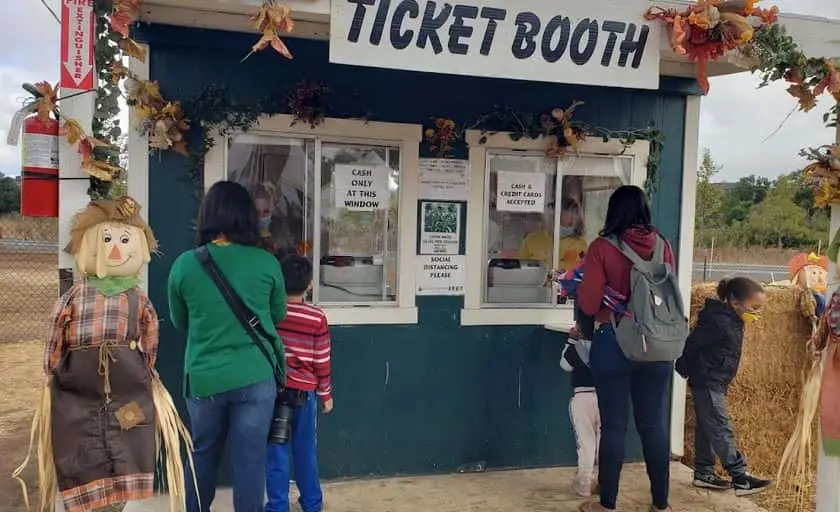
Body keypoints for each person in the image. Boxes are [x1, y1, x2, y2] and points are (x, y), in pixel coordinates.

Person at [168, 181, 287, 512]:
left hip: (204, 379)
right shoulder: (266, 263)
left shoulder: (184, 265)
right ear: (247, 216)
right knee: (250, 461)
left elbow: (180, 322)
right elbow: (277, 316)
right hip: (255, 378)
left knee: (202, 454)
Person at [577, 185, 675, 512]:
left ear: (613, 211)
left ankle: (607, 504)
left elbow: (590, 304)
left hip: (614, 342)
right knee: (653, 424)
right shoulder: (663, 245)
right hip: (658, 344)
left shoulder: (601, 248)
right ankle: (661, 503)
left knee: (614, 425)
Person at [675, 277, 772, 496]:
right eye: (754, 307)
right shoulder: (719, 321)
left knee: (707, 427)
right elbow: (693, 342)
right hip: (707, 380)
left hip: (715, 379)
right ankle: (740, 477)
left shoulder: (733, 319)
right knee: (719, 426)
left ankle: (703, 472)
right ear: (734, 301)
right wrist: (684, 365)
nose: (757, 312)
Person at [266, 253, 334, 512]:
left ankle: (277, 506)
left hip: (275, 393)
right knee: (306, 451)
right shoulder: (317, 318)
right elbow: (321, 360)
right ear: (310, 285)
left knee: (276, 452)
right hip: (306, 396)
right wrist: (325, 394)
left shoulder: (272, 315)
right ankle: (312, 504)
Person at [560, 307, 600, 498]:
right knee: (605, 442)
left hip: (582, 398)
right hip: (605, 398)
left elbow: (564, 365)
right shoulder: (605, 346)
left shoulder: (576, 347)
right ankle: (604, 482)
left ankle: (584, 483)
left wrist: (571, 340)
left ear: (579, 327)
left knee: (586, 443)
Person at [557, 197, 588, 273]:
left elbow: (584, 267)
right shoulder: (537, 239)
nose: (572, 217)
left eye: (575, 213)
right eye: (568, 212)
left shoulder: (581, 244)